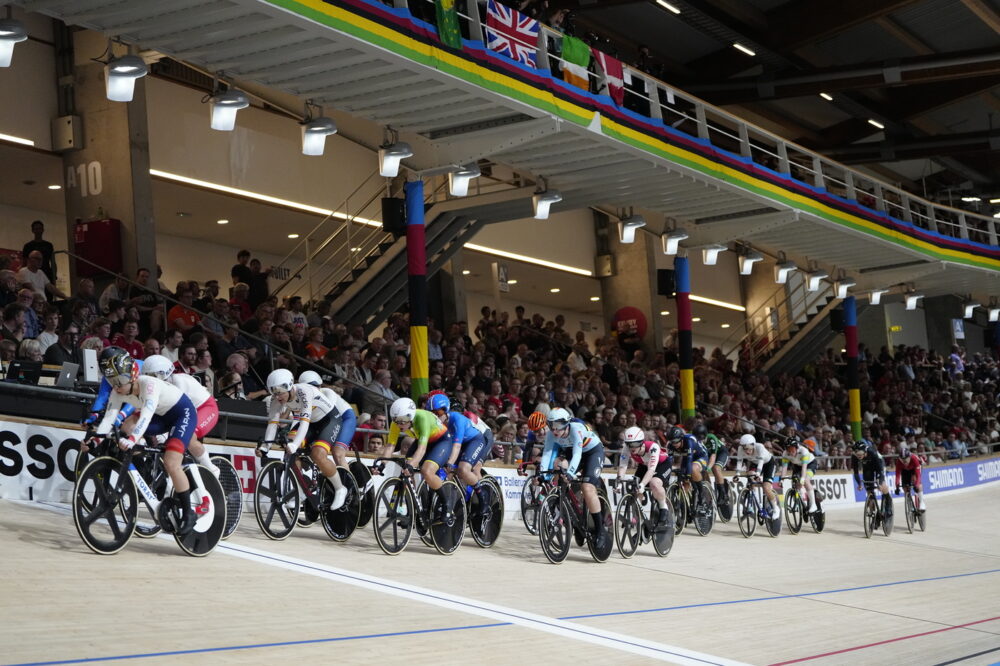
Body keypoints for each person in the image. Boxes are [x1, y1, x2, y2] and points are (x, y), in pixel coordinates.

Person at [89, 349, 216, 535]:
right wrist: (95, 440)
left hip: (182, 414)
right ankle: (147, 467)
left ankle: (189, 513)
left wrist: (133, 439)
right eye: (112, 381)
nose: (116, 386)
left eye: (120, 380)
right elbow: (109, 418)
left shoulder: (149, 384)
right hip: (161, 416)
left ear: (132, 375)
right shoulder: (118, 391)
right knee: (126, 426)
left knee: (172, 463)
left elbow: (146, 416)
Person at [260, 369, 350, 510]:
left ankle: (340, 488)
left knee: (317, 454)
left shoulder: (304, 392)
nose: (278, 397)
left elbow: (304, 422)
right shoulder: (276, 399)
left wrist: (295, 444)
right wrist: (265, 447)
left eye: (281, 393)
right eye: (275, 393)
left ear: (290, 387)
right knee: (289, 451)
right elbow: (272, 424)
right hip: (310, 423)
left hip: (329, 420)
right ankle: (302, 489)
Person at [539, 407, 608, 550]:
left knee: (587, 487)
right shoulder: (551, 434)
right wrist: (542, 474)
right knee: (558, 467)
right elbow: (547, 454)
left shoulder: (576, 429)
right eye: (551, 425)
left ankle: (600, 530)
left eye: (558, 425)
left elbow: (577, 455)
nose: (554, 429)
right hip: (572, 452)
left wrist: (570, 473)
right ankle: (574, 516)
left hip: (592, 452)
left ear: (566, 423)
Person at [142, 355, 221, 461]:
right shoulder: (159, 385)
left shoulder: (179, 382)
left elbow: (185, 414)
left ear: (161, 374)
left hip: (205, 408)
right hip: (183, 412)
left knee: (189, 438)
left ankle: (211, 468)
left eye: (151, 376)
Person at [384, 397, 454, 515]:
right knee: (406, 470)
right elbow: (390, 446)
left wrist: (411, 465)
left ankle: (446, 504)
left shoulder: (422, 418)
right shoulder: (396, 423)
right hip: (422, 440)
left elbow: (421, 450)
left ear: (411, 417)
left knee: (426, 471)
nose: (399, 424)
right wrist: (381, 464)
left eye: (403, 421)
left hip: (441, 441)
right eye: (396, 420)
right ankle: (413, 509)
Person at [298, 370, 357, 509]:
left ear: (320, 386)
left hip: (344, 418)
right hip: (319, 421)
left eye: (315, 386)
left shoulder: (328, 393)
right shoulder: (300, 397)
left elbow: (328, 419)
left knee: (337, 452)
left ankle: (349, 487)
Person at [426, 394, 490, 510]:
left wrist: (450, 463)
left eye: (438, 412)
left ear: (446, 410)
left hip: (474, 441)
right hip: (459, 444)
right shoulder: (435, 424)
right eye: (432, 413)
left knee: (463, 469)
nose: (436, 416)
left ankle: (482, 495)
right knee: (447, 472)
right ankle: (449, 505)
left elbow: (456, 446)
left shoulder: (457, 419)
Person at [616, 425, 671, 524]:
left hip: (662, 464)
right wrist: (619, 482)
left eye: (635, 444)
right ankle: (637, 515)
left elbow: (651, 470)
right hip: (644, 465)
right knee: (635, 486)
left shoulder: (653, 447)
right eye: (629, 444)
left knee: (654, 483)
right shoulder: (626, 448)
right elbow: (623, 466)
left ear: (641, 442)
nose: (632, 447)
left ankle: (663, 507)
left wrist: (642, 484)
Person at [735, 433, 780, 519]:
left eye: (749, 448)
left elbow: (761, 462)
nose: (747, 451)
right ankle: (753, 498)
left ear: (753, 445)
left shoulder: (760, 447)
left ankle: (775, 508)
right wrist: (737, 474)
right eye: (744, 448)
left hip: (768, 464)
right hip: (755, 463)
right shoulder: (740, 449)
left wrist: (758, 474)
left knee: (766, 487)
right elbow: (739, 461)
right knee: (750, 476)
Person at [852, 439, 892, 520]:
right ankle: (873, 512)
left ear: (865, 451)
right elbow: (856, 472)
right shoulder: (854, 456)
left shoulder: (872, 452)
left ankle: (888, 502)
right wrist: (859, 484)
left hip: (879, 464)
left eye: (860, 454)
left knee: (882, 485)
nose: (859, 456)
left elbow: (880, 470)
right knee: (869, 490)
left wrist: (879, 482)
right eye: (857, 455)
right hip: (867, 468)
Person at [780, 435, 821, 514]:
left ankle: (813, 504)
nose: (790, 452)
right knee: (795, 483)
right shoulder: (785, 454)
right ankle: (801, 502)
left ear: (796, 447)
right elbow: (784, 468)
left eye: (792, 449)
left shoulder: (803, 451)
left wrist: (802, 478)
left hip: (810, 464)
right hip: (798, 465)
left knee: (805, 480)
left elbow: (804, 468)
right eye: (788, 449)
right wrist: (782, 479)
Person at [895, 444, 926, 513]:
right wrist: (897, 486)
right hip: (905, 471)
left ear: (909, 457)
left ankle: (922, 502)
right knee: (905, 487)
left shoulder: (914, 458)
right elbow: (897, 475)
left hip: (914, 469)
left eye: (906, 459)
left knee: (917, 482)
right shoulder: (899, 462)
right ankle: (909, 504)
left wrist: (916, 485)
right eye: (902, 460)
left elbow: (918, 475)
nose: (904, 461)